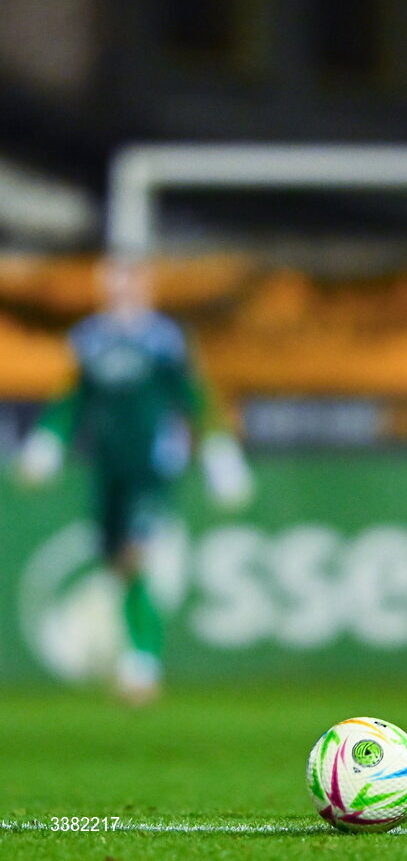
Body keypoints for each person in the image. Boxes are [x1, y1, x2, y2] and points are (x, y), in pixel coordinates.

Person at [19, 256, 253, 704]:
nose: (124, 291)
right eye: (116, 283)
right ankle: (136, 654)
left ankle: (142, 661)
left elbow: (193, 395)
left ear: (146, 288)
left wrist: (218, 453)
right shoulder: (89, 339)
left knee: (134, 555)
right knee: (115, 563)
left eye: (132, 283)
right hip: (107, 467)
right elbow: (72, 397)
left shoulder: (164, 340)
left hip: (152, 463)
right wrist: (47, 443)